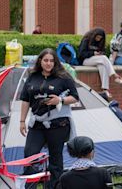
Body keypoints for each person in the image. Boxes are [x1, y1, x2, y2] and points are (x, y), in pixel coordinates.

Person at [19, 48, 79, 188]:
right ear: (40, 61)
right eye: (46, 60)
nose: (48, 64)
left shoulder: (64, 77)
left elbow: (75, 97)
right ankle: (29, 186)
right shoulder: (32, 76)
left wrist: (60, 100)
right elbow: (25, 99)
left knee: (55, 159)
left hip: (58, 124)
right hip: (37, 124)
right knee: (30, 155)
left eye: (51, 61)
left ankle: (54, 186)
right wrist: (22, 121)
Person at [78, 27, 122, 98]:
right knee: (103, 58)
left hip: (96, 60)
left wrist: (100, 53)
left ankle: (105, 89)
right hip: (85, 60)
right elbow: (81, 54)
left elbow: (102, 52)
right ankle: (115, 75)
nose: (98, 39)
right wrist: (93, 53)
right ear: (94, 35)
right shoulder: (86, 40)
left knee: (103, 66)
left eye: (100, 38)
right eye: (97, 37)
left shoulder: (100, 42)